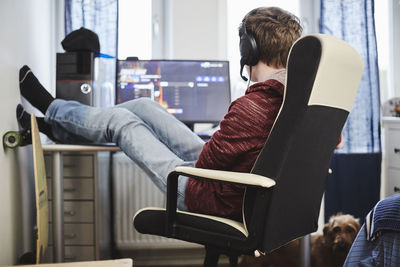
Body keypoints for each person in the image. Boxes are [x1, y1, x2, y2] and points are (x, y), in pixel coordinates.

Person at [17, 7, 303, 218]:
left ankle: (51, 107)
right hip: (230, 185)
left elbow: (204, 166)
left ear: (248, 50)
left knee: (122, 121)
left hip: (206, 193)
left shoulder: (251, 106)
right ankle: (58, 127)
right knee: (143, 105)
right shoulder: (297, 96)